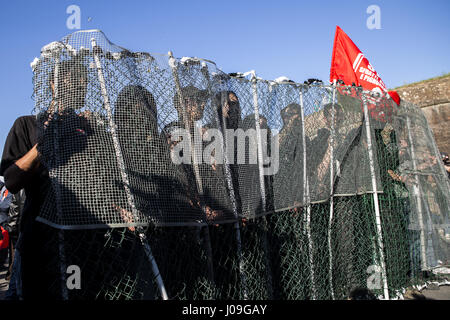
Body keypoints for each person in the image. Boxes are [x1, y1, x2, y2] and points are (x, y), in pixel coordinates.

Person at [0, 57, 88, 299]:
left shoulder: (85, 129)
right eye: (75, 77)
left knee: (75, 291)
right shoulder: (26, 126)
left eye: (85, 79)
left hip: (78, 239)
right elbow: (12, 180)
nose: (82, 83)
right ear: (53, 83)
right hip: (38, 239)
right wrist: (44, 144)